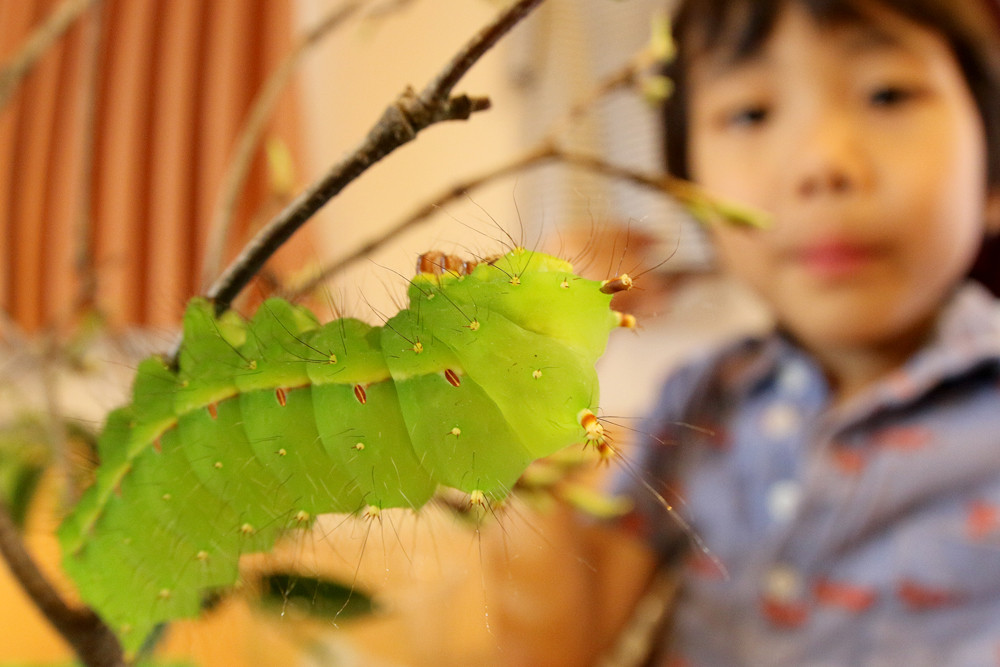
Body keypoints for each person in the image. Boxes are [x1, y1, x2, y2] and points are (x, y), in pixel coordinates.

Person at [592, 0, 1000, 664]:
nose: (824, 164)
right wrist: (545, 328)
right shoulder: (696, 401)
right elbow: (567, 627)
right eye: (751, 113)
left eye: (887, 94)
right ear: (691, 193)